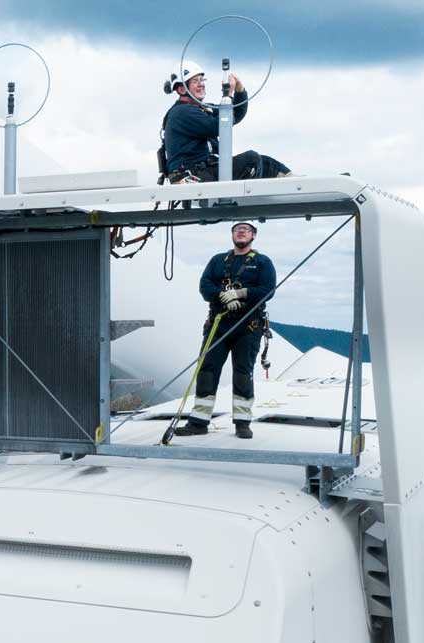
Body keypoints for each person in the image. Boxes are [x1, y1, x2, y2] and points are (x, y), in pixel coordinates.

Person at [175, 221, 276, 439]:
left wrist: (241, 294)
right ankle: (199, 422)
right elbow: (205, 285)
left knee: (242, 373)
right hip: (218, 325)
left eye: (246, 230)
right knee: (207, 372)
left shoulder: (262, 262)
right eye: (237, 230)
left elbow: (268, 290)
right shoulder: (218, 260)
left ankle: (242, 422)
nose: (241, 232)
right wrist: (222, 296)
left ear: (253, 236)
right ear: (232, 235)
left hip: (248, 327)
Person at [161, 62, 291, 184]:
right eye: (195, 81)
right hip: (194, 175)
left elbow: (235, 115)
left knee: (265, 162)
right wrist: (228, 95)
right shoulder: (182, 112)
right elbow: (220, 126)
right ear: (182, 90)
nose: (201, 84)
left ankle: (292, 182)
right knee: (251, 159)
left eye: (202, 80)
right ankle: (248, 203)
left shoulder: (201, 109)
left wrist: (240, 91)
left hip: (207, 170)